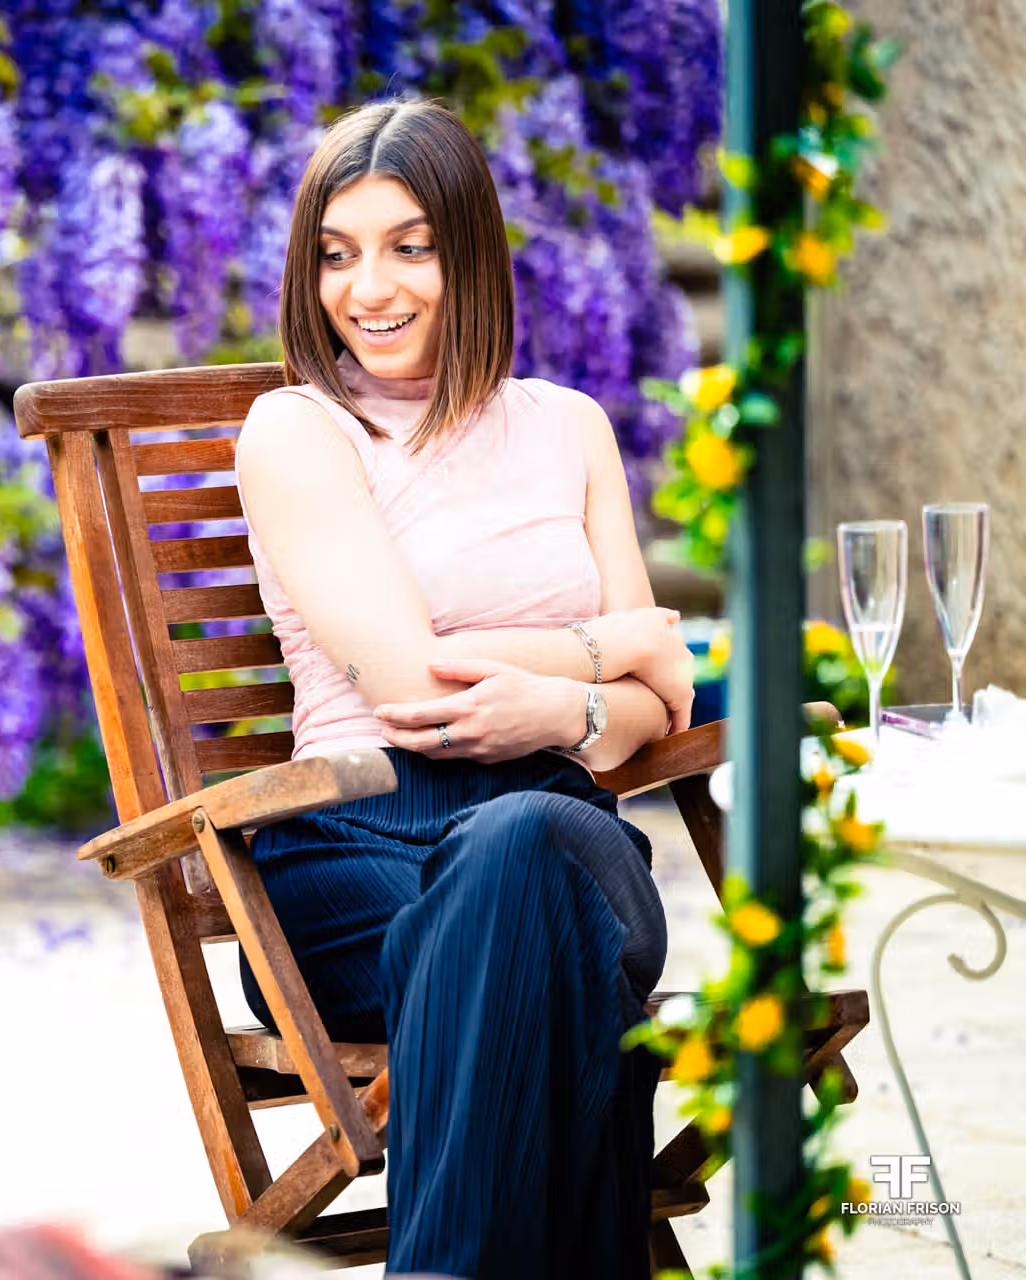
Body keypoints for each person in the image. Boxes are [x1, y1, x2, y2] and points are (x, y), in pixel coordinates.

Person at [234, 98, 698, 1279]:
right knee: (528, 905)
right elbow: (410, 684)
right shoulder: (297, 431)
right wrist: (617, 643)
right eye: (336, 254)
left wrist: (571, 712)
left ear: (471, 252)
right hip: (352, 843)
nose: (367, 287)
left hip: (562, 830)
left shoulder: (570, 428)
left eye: (409, 246)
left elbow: (664, 712)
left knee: (528, 841)